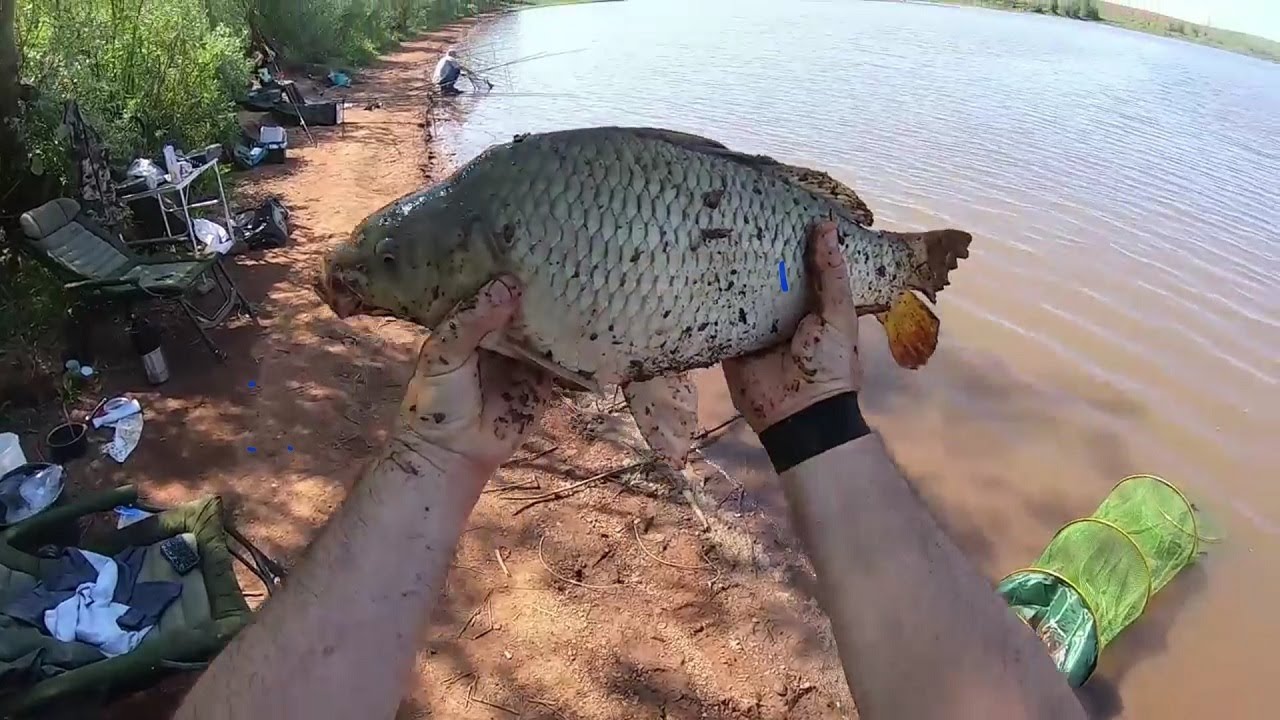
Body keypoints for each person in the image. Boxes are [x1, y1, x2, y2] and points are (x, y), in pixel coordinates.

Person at [173, 222, 1086, 720]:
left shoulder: (500, 209)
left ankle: (886, 269)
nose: (365, 282)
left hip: (766, 270)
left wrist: (819, 415)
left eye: (389, 264)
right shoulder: (492, 210)